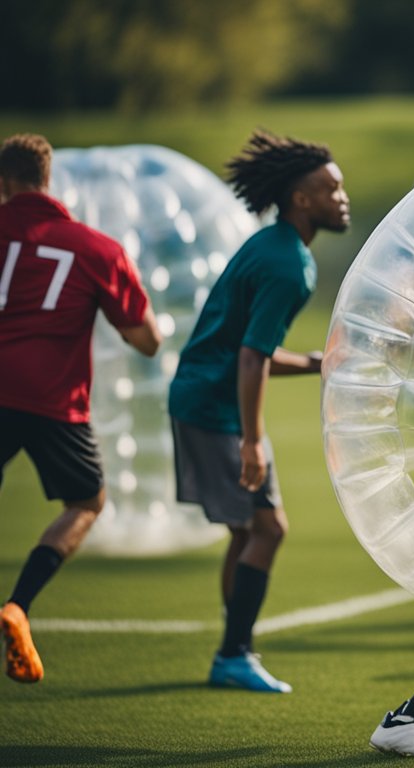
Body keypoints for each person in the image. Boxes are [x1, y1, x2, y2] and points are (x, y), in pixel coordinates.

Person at [168, 129, 347, 693]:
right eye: (331, 189)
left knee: (248, 530)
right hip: (215, 406)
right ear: (301, 200)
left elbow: (255, 352)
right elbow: (250, 358)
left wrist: (317, 363)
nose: (343, 197)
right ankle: (233, 653)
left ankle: (235, 650)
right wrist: (251, 441)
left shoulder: (274, 244)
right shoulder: (289, 265)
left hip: (203, 395)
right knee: (269, 528)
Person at [0, 133, 162, 683]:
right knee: (87, 501)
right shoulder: (95, 247)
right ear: (49, 181)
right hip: (52, 400)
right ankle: (19, 605)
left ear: (4, 184)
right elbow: (146, 339)